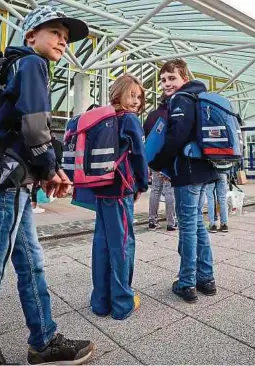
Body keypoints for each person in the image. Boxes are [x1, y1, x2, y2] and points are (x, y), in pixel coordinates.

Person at [0, 6, 94, 365]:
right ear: (31, 36)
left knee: (31, 263)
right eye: (55, 32)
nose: (63, 39)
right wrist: (51, 168)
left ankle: (43, 340)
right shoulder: (31, 64)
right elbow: (34, 127)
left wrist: (49, 170)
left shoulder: (13, 66)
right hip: (6, 185)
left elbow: (22, 133)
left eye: (66, 36)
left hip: (12, 181)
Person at [149, 59, 218, 303]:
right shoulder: (199, 97)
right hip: (204, 172)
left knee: (188, 226)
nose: (167, 84)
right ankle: (207, 279)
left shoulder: (181, 99)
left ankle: (187, 282)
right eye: (163, 80)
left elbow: (176, 137)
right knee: (197, 223)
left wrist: (156, 163)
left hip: (187, 173)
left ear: (184, 79)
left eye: (172, 78)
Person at [90, 74, 148, 320]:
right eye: (131, 95)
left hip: (100, 187)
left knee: (101, 244)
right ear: (118, 94)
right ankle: (123, 303)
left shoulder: (100, 117)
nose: (136, 101)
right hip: (121, 189)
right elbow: (139, 157)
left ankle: (100, 302)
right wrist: (142, 184)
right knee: (123, 245)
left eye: (139, 97)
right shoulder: (129, 119)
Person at [143, 95, 177, 231]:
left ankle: (152, 221)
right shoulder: (171, 116)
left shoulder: (152, 115)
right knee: (169, 191)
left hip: (153, 158)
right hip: (167, 159)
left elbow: (145, 136)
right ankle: (171, 222)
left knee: (155, 189)